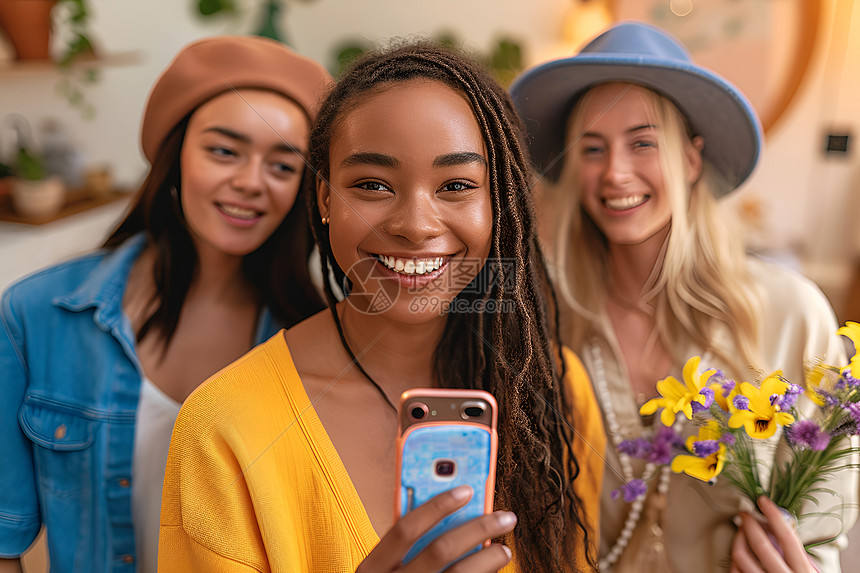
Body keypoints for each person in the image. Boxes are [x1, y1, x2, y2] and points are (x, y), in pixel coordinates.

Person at [158, 42, 605, 572]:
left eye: (457, 185)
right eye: (372, 185)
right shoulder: (224, 425)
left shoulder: (557, 390)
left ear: (500, 203)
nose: (415, 226)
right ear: (325, 199)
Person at [510, 21, 858, 573]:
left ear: (691, 159)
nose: (615, 172)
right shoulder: (540, 318)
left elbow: (824, 529)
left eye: (643, 142)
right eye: (592, 148)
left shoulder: (793, 316)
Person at [0, 36, 331, 573]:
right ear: (175, 159)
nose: (250, 183)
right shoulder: (35, 315)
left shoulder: (315, 340)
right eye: (224, 151)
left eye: (283, 165)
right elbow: (4, 544)